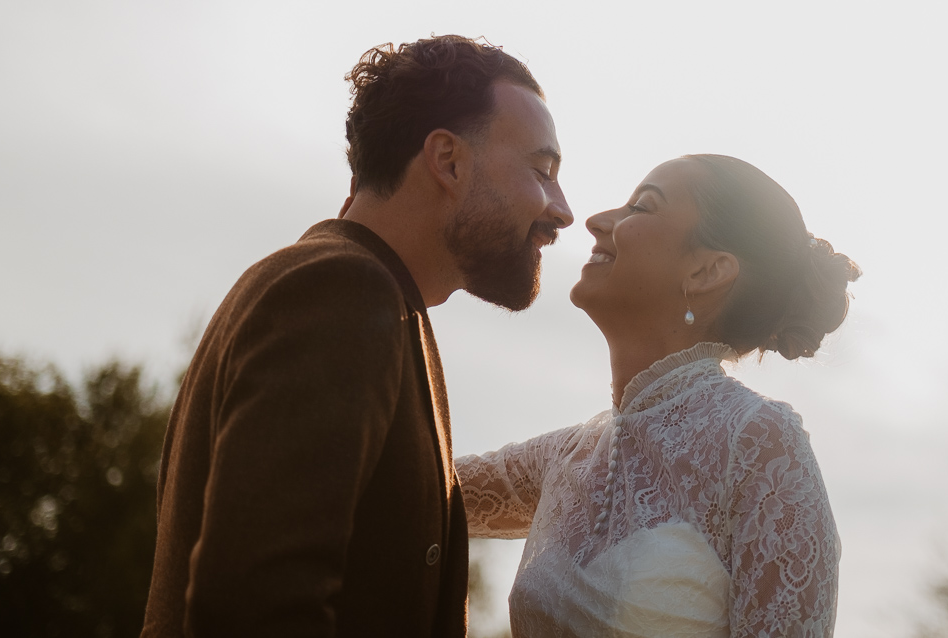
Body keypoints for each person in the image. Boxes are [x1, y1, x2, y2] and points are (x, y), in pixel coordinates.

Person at [142, 35, 572, 638]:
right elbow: (253, 606)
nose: (561, 209)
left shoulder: (380, 302)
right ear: (447, 161)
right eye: (543, 170)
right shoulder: (339, 290)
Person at [459, 155, 857, 636]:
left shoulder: (760, 444)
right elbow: (409, 481)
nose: (597, 221)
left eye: (641, 207)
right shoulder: (569, 456)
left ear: (707, 271)